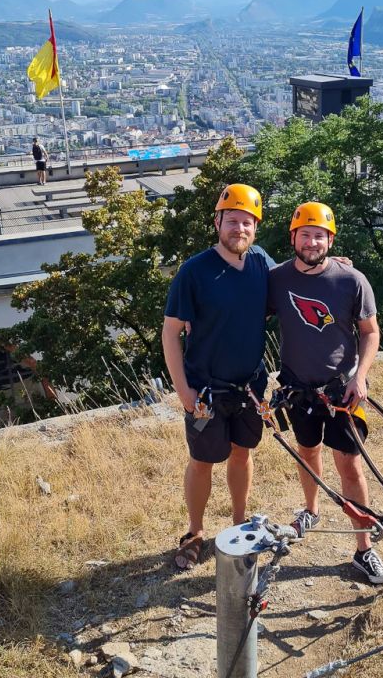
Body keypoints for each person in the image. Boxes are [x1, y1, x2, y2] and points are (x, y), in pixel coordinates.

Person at [267, 201, 383, 585]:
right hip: (297, 388)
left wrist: (361, 377)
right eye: (304, 234)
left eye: (319, 235)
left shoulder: (351, 281)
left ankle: (364, 550)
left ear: (330, 239)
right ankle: (311, 509)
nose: (312, 242)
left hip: (342, 387)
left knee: (350, 464)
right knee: (307, 451)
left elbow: (370, 332)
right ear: (293, 238)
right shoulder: (277, 279)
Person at [162, 184, 274, 570]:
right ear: (217, 223)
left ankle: (240, 523)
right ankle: (194, 532)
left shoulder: (260, 262)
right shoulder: (195, 271)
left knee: (242, 454)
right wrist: (183, 391)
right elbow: (170, 332)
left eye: (247, 222)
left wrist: (333, 266)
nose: (239, 229)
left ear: (255, 229)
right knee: (202, 460)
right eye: (232, 221)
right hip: (206, 389)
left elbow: (293, 285)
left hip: (249, 386)